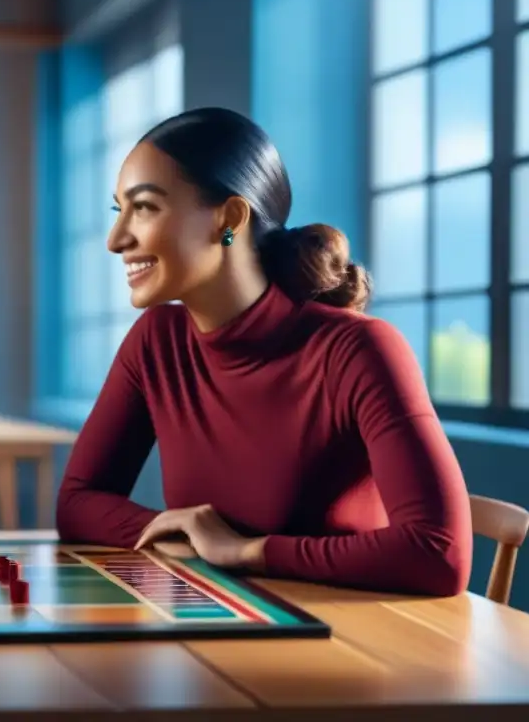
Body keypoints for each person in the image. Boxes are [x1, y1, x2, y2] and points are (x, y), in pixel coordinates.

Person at [55, 107, 473, 597]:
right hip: (224, 621)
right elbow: (77, 504)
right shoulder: (157, 341)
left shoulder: (358, 350)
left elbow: (439, 553)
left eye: (144, 208)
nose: (116, 239)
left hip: (353, 640)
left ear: (229, 219)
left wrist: (245, 552)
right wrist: (177, 529)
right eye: (117, 210)